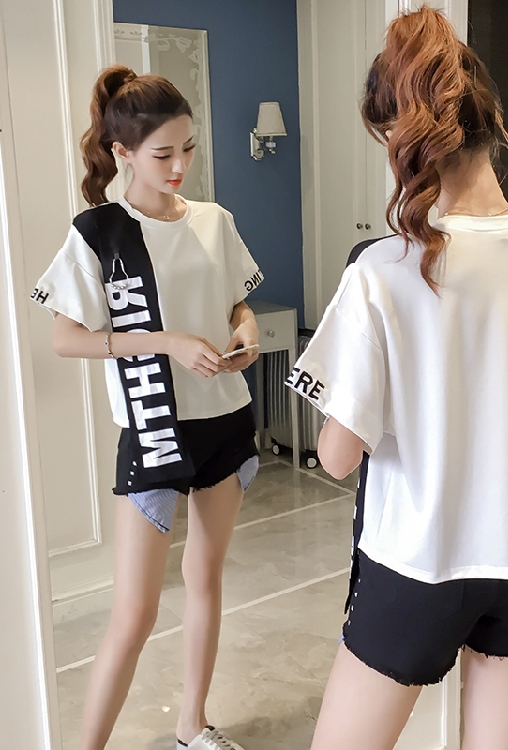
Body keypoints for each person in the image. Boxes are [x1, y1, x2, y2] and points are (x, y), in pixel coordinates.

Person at [286, 7, 508, 750]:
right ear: (491, 123)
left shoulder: (382, 269)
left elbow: (336, 457)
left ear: (401, 141)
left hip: (415, 567)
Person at [31, 66, 264, 750]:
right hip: (154, 429)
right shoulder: (99, 231)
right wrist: (165, 341)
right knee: (134, 614)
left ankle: (194, 725)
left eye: (188, 148)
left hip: (223, 420)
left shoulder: (214, 221)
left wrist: (246, 332)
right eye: (163, 153)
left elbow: (236, 302)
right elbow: (66, 338)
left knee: (206, 580)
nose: (180, 166)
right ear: (123, 152)